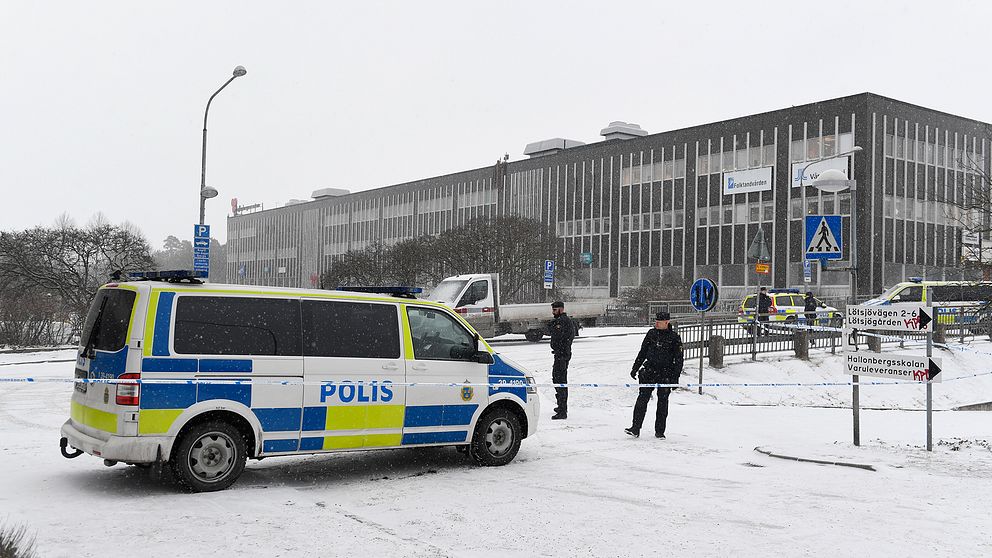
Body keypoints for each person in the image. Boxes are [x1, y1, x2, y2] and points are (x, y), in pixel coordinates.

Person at [625, 311, 684, 439]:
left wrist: (675, 378)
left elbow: (679, 360)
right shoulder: (651, 334)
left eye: (659, 322)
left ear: (666, 322)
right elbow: (643, 352)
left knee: (662, 402)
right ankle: (635, 428)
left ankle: (660, 431)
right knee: (642, 399)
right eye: (655, 321)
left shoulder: (674, 338)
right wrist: (635, 368)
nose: (656, 323)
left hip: (665, 373)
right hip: (649, 371)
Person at [549, 301, 574, 420]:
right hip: (560, 355)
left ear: (561, 309)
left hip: (562, 356)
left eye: (555, 310)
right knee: (556, 379)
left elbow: (563, 338)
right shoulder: (559, 321)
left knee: (560, 381)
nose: (553, 312)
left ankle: (563, 410)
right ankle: (560, 405)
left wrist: (562, 352)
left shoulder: (564, 321)